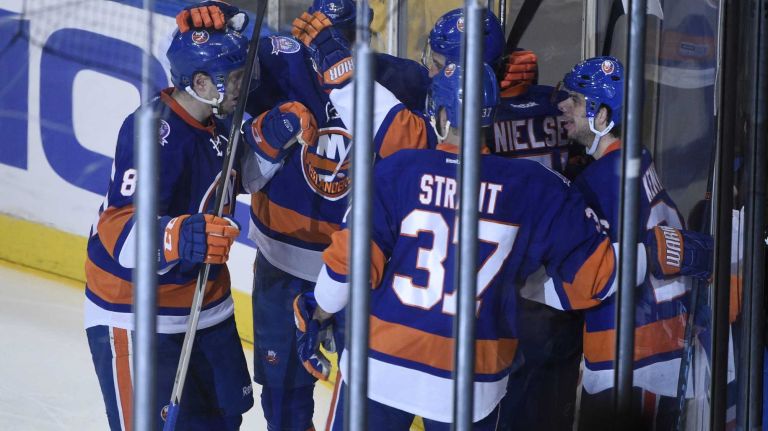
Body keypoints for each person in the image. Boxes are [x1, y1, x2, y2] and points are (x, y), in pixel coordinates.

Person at [290, 19, 620, 423]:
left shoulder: (399, 170)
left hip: (381, 362)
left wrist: (317, 310)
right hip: (473, 379)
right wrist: (655, 249)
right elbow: (597, 280)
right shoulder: (538, 187)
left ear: (439, 114)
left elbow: (350, 267)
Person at [174, 1, 439, 429]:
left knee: (368, 403)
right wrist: (215, 22)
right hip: (283, 265)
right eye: (318, 37)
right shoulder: (275, 59)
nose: (324, 49)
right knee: (283, 402)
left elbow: (444, 147)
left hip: (363, 271)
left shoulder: (401, 80)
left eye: (340, 40)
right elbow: (205, 86)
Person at [83, 26, 316, 430]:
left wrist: (267, 143)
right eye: (237, 77)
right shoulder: (152, 131)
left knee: (225, 419)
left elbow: (231, 180)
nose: (247, 86)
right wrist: (178, 236)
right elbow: (117, 229)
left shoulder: (218, 121)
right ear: (202, 82)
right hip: (135, 310)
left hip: (205, 304)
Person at [556, 56, 711, 430]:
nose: (563, 107)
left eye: (575, 100)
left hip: (634, 354)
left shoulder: (601, 181)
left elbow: (590, 274)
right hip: (662, 344)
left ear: (602, 114)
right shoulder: (635, 157)